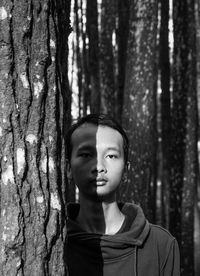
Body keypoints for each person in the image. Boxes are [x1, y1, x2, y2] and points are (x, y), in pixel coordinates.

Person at [65, 114, 180, 276]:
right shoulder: (53, 240)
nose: (99, 167)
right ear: (68, 168)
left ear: (126, 170)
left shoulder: (161, 245)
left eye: (111, 156)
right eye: (86, 155)